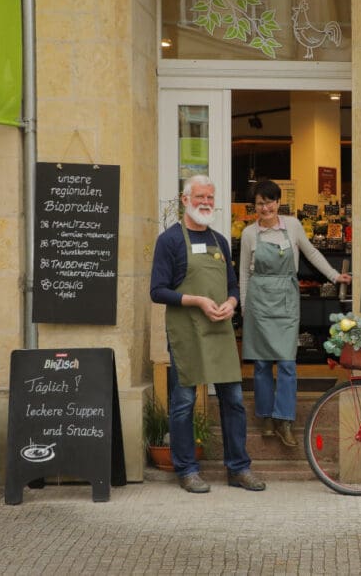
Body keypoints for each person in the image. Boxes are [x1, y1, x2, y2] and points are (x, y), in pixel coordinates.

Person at [150, 175, 265, 493]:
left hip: (219, 330)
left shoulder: (220, 241)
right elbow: (157, 291)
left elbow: (231, 285)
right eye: (200, 196)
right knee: (184, 402)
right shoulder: (170, 241)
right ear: (185, 200)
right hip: (187, 332)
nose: (206, 202)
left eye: (210, 197)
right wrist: (198, 300)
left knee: (235, 400)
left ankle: (238, 468)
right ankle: (187, 470)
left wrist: (231, 302)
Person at [239, 180, 351, 446]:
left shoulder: (293, 226)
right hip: (258, 302)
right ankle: (266, 418)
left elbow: (312, 253)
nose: (265, 207)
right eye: (259, 203)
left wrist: (336, 276)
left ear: (278, 202)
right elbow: (244, 273)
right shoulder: (248, 234)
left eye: (269, 202)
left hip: (287, 302)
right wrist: (245, 308)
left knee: (288, 364)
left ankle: (285, 420)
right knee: (262, 364)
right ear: (254, 206)